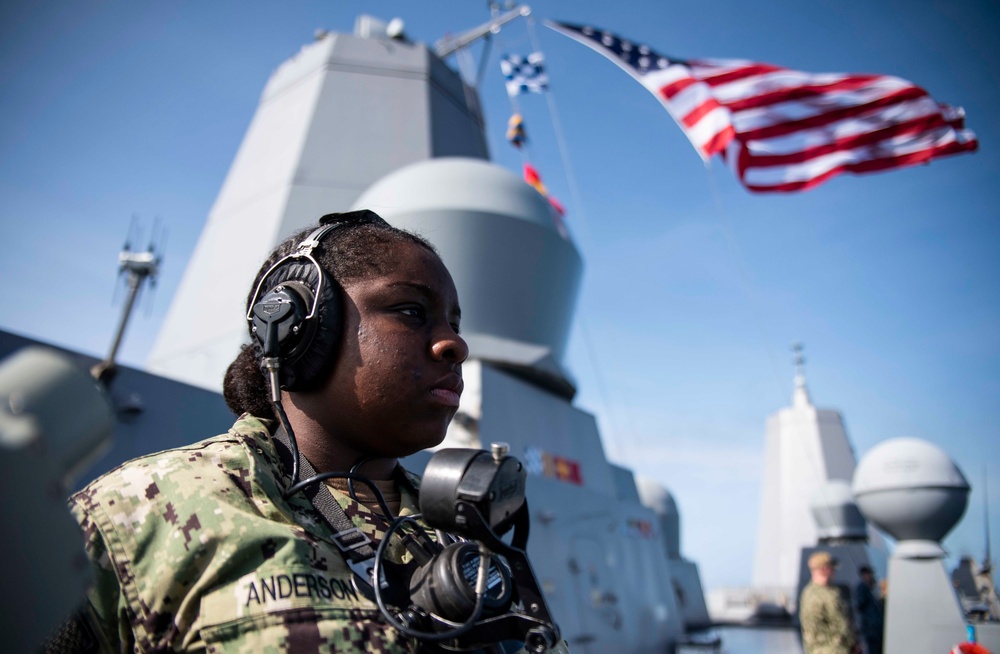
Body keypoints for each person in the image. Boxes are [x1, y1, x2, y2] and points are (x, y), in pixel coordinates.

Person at [61, 210, 545, 652]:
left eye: (455, 324)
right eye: (412, 311)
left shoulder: (465, 536)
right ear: (297, 327)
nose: (454, 344)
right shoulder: (135, 512)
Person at [799, 551, 861, 654]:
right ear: (825, 569)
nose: (834, 572)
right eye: (831, 568)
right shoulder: (823, 594)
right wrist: (854, 643)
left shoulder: (811, 592)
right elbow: (840, 623)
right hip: (832, 649)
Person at [854, 565, 884, 654]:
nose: (870, 577)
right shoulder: (863, 587)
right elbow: (860, 604)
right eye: (868, 574)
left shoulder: (871, 589)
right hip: (871, 629)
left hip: (876, 629)